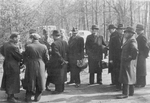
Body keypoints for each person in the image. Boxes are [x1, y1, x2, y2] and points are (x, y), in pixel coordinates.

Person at [23, 33, 49, 102]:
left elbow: (25, 56)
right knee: (40, 79)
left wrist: (26, 63)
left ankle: (28, 97)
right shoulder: (44, 46)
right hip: (41, 64)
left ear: (32, 39)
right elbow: (46, 58)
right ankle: (37, 97)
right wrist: (45, 65)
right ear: (38, 39)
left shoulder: (29, 46)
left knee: (30, 79)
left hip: (31, 64)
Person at [0, 32, 22, 102]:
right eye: (18, 38)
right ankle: (10, 98)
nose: (19, 40)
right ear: (14, 38)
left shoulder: (5, 43)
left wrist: (6, 56)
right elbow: (19, 57)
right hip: (13, 65)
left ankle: (11, 96)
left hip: (6, 63)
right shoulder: (14, 47)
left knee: (9, 79)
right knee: (13, 80)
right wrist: (21, 53)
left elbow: (1, 49)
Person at [117, 27, 138, 99]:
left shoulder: (132, 41)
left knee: (126, 77)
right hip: (128, 62)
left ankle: (125, 93)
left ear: (130, 33)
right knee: (130, 76)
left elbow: (135, 51)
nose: (124, 34)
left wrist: (129, 58)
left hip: (127, 62)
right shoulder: (129, 40)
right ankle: (131, 92)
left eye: (126, 32)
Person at [110, 24, 125, 90]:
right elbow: (111, 49)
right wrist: (111, 59)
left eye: (122, 29)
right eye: (119, 29)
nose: (121, 31)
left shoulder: (125, 37)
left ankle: (124, 86)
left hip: (124, 57)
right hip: (116, 57)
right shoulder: (114, 38)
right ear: (117, 30)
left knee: (123, 72)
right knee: (117, 72)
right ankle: (118, 86)